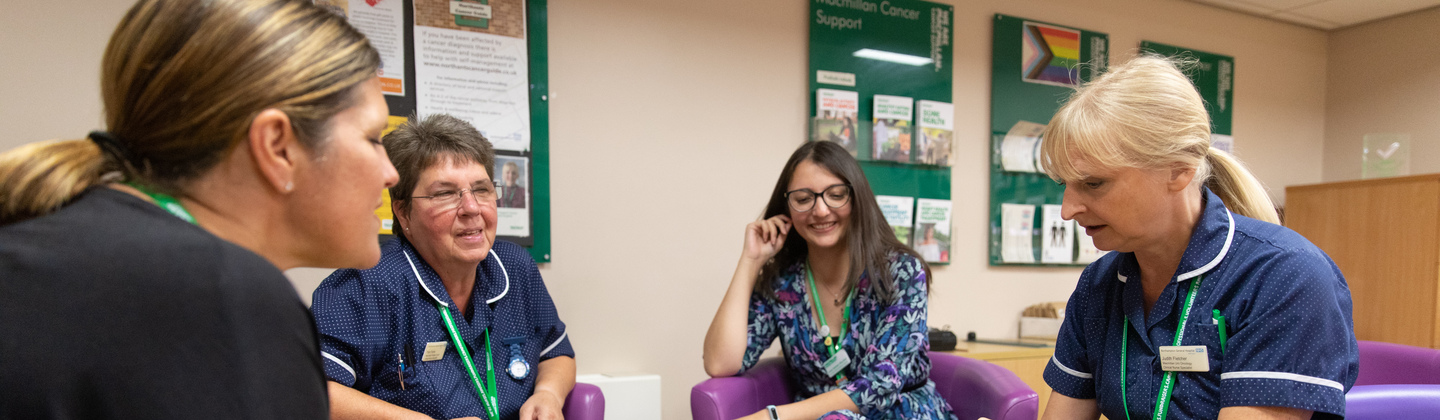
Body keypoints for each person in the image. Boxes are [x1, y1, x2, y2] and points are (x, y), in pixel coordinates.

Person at [0, 0, 395, 417]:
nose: (391, 174)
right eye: (372, 138)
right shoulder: (224, 296)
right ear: (278, 147)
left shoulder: (57, 242)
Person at [1037, 56, 1358, 420]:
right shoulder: (1099, 286)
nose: (1067, 210)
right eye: (1065, 185)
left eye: (1094, 183)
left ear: (1179, 170)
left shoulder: (1286, 277)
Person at [313, 114, 575, 420]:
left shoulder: (514, 268)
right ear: (403, 212)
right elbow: (312, 390)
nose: (472, 208)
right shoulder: (365, 283)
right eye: (445, 193)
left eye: (482, 189)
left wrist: (549, 393)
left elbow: (556, 352)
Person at [703, 141, 957, 420]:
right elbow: (719, 363)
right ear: (787, 207)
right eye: (803, 199)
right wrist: (750, 262)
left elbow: (880, 386)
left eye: (836, 195)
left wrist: (771, 417)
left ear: (857, 199)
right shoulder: (784, 284)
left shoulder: (901, 272)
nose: (821, 210)